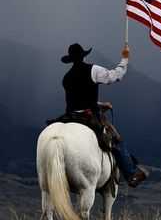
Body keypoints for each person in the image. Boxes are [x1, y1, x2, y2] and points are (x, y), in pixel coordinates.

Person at [61, 42, 151, 188]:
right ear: (83, 57)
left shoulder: (66, 77)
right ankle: (131, 175)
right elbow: (115, 76)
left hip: (69, 116)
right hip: (88, 116)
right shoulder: (93, 70)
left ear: (70, 60)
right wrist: (125, 58)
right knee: (116, 140)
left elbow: (77, 99)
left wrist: (100, 104)